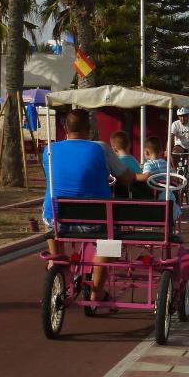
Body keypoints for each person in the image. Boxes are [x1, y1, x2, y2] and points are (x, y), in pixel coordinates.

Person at [43, 109, 137, 295]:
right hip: (96, 221)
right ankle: (96, 292)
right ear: (89, 129)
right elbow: (127, 178)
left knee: (49, 222)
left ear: (65, 128)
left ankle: (55, 262)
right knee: (111, 241)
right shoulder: (101, 148)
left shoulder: (49, 150)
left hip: (57, 218)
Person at [136, 137, 182, 215]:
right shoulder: (166, 164)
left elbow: (146, 176)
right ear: (161, 151)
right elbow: (174, 178)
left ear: (146, 152)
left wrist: (135, 176)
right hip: (168, 195)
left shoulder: (148, 165)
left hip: (154, 197)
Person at [108, 131, 144, 197]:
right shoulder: (134, 159)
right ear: (129, 145)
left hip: (127, 192)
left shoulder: (118, 161)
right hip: (139, 190)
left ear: (114, 148)